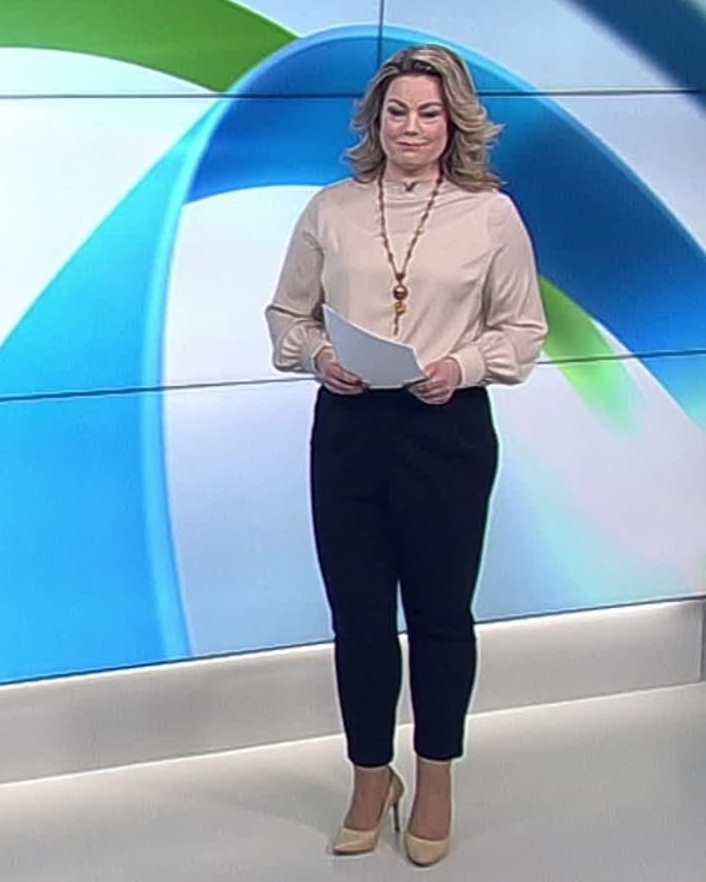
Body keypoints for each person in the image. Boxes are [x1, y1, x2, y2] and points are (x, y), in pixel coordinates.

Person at [265, 44, 547, 866]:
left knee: (439, 618)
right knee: (357, 618)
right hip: (350, 431)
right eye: (397, 112)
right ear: (375, 119)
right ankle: (369, 776)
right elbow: (288, 315)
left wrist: (461, 366)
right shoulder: (331, 209)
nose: (410, 128)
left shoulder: (491, 215)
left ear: (454, 121)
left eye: (428, 113)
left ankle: (435, 779)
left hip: (445, 432)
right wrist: (320, 356)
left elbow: (523, 330)